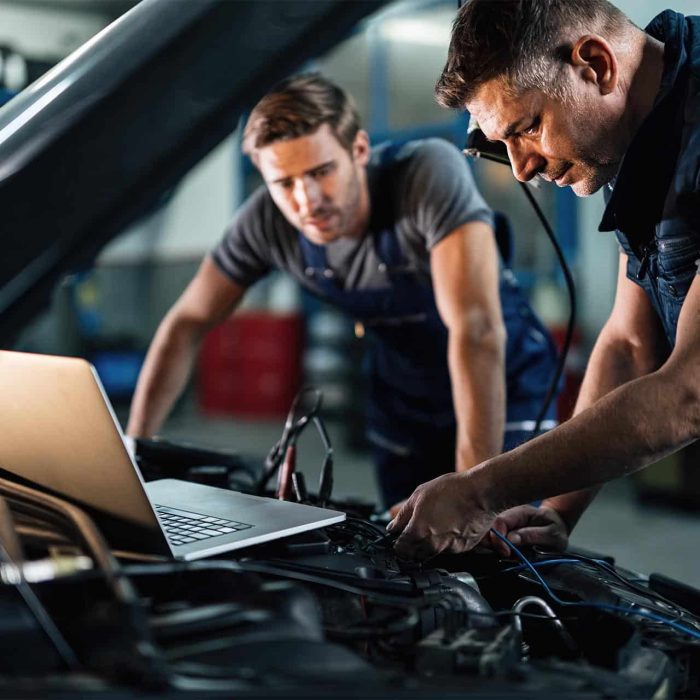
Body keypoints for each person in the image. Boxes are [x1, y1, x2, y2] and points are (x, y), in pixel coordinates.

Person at [127, 73, 558, 511]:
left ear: (359, 150)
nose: (307, 199)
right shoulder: (265, 223)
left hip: (503, 379)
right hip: (404, 396)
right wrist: (136, 451)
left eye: (321, 171)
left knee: (505, 545)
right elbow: (187, 323)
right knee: (409, 550)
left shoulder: (425, 175)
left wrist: (472, 494)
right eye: (285, 183)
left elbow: (476, 329)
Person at [388, 0, 700, 560]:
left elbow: (689, 394)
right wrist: (554, 513)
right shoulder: (649, 133)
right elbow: (630, 345)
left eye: (527, 128)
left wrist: (480, 490)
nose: (523, 169)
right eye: (500, 145)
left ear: (596, 65)